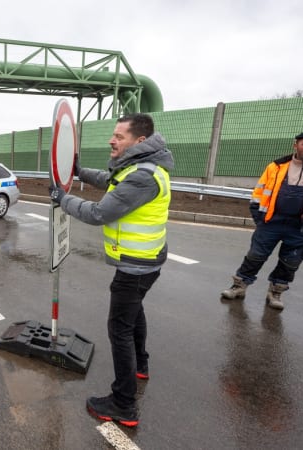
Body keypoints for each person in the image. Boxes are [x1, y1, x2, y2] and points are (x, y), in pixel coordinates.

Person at [49, 113, 174, 427]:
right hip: (147, 262)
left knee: (119, 329)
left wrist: (63, 199)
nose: (111, 140)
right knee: (134, 314)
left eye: (119, 136)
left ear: (139, 141)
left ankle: (123, 404)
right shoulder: (141, 167)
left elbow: (98, 213)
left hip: (135, 267)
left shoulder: (142, 177)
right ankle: (140, 365)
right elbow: (109, 180)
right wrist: (79, 172)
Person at [220, 130, 303, 310]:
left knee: (290, 262)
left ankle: (276, 291)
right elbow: (258, 193)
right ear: (296, 145)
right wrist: (260, 219)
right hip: (271, 222)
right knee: (255, 256)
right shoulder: (277, 166)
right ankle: (239, 286)